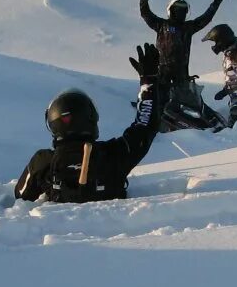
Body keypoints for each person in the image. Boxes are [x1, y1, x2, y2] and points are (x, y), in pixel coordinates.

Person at [14, 44, 164, 203]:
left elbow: (20, 196)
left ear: (53, 122)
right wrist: (148, 82)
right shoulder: (115, 154)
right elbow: (145, 126)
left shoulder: (42, 161)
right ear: (91, 118)